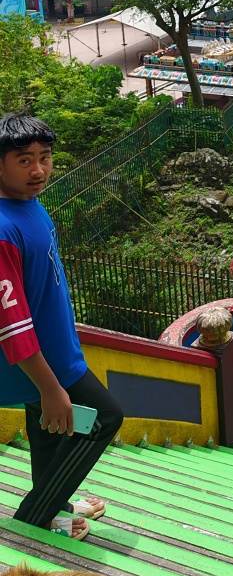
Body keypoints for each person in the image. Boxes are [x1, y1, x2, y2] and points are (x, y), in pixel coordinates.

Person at [0, 113, 124, 539]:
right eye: (24, 160)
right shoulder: (1, 228)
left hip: (56, 352)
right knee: (105, 417)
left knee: (49, 430)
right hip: (42, 364)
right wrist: (50, 387)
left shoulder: (26, 203)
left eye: (44, 157)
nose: (38, 170)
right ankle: (37, 514)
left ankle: (58, 504)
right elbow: (10, 323)